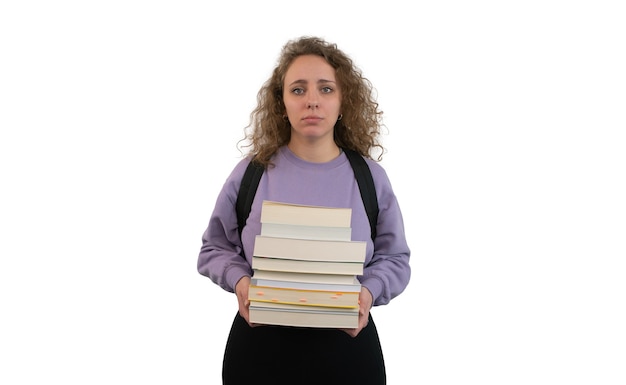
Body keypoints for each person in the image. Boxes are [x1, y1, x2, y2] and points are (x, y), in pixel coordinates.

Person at [197, 36, 411, 385]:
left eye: (326, 89)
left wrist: (368, 292)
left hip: (347, 353)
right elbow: (214, 248)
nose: (312, 101)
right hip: (259, 353)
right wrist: (240, 282)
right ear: (281, 103)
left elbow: (395, 257)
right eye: (298, 90)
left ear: (344, 101)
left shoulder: (370, 178)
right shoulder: (252, 172)